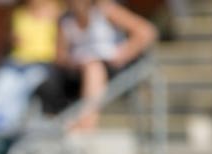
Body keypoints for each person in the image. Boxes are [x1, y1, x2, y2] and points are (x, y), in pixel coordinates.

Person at [55, 0, 157, 130]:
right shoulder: (65, 20)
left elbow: (146, 31)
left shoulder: (105, 10)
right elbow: (60, 57)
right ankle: (83, 123)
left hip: (112, 67)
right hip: (78, 72)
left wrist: (122, 54)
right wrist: (77, 62)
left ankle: (86, 123)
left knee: (93, 67)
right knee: (90, 66)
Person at [0, 0, 62, 137]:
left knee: (22, 87)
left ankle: (6, 122)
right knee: (2, 81)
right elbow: (15, 40)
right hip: (17, 62)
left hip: (41, 63)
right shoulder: (19, 14)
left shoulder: (57, 11)